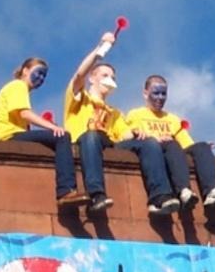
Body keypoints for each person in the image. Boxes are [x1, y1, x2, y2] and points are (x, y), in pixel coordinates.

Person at [63, 38, 175, 215]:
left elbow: (124, 134)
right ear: (92, 78)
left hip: (110, 143)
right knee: (91, 135)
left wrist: (140, 133)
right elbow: (79, 75)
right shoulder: (80, 98)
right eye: (105, 75)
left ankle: (160, 197)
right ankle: (96, 195)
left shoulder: (114, 112)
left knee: (149, 142)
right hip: (85, 142)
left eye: (112, 77)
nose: (109, 80)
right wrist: (100, 49)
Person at [0, 54, 97, 209]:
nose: (40, 78)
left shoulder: (18, 89)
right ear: (25, 70)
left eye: (44, 76)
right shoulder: (18, 86)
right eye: (38, 72)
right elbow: (24, 113)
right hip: (5, 135)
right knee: (62, 137)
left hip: (9, 134)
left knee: (57, 137)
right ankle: (66, 191)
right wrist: (52, 127)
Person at [123, 75, 215, 211]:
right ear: (145, 93)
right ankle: (183, 191)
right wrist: (156, 137)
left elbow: (186, 143)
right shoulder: (135, 114)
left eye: (163, 94)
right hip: (156, 151)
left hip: (174, 151)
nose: (160, 98)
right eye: (156, 93)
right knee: (172, 144)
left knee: (202, 147)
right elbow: (132, 135)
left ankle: (212, 191)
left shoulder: (173, 119)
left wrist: (202, 148)